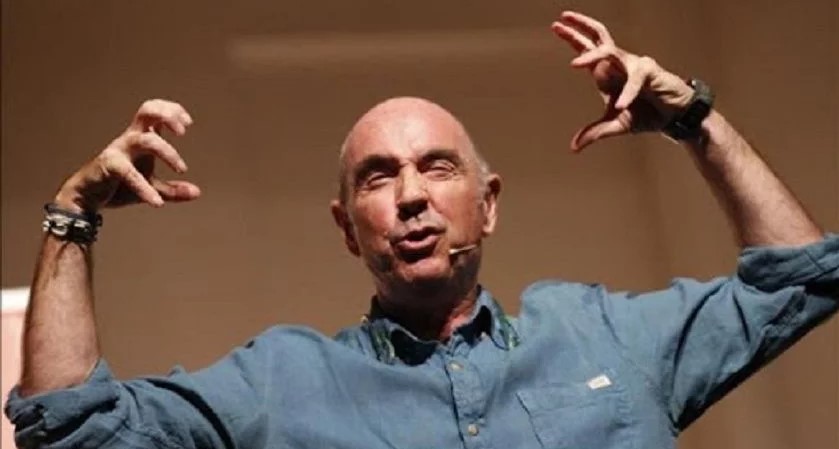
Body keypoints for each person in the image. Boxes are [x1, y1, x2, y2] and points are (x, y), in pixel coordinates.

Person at [5, 10, 837, 449]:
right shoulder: (282, 384)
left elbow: (803, 278)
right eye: (377, 177)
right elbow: (70, 428)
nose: (409, 196)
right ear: (347, 229)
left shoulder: (605, 337)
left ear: (489, 202)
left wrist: (695, 119)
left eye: (437, 167)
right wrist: (72, 217)